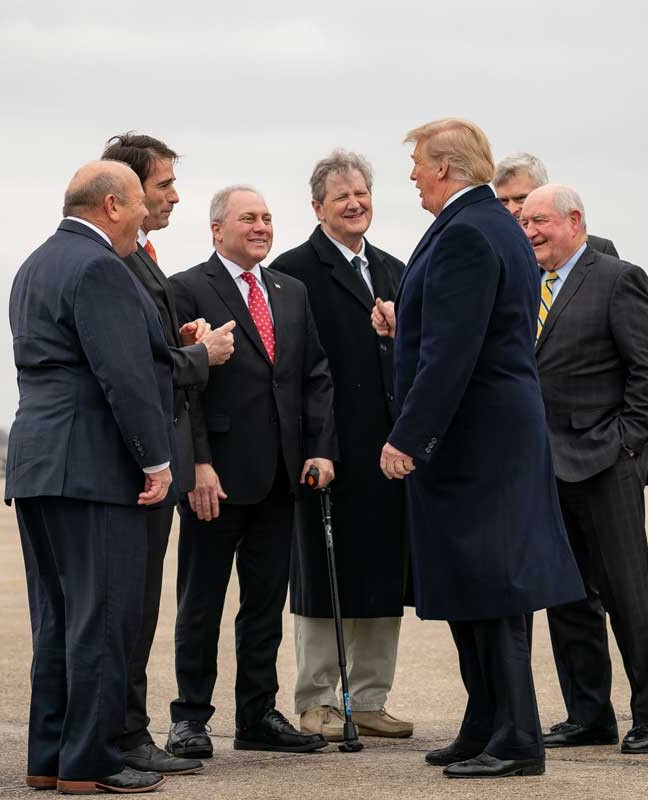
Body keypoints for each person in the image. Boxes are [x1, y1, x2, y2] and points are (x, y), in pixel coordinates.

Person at [380, 118, 585, 779]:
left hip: (477, 443)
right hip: (487, 438)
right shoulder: (485, 225)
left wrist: (410, 435)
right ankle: (485, 723)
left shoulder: (470, 230)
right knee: (472, 587)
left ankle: (517, 738)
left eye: (416, 163)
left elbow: (452, 351)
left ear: (445, 167)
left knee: (493, 589)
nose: (411, 174)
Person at [5, 160, 184, 794]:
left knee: (56, 618)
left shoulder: (35, 265)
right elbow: (125, 376)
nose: (145, 214)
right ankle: (91, 762)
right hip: (93, 469)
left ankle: (48, 757)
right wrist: (156, 460)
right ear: (111, 205)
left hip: (37, 464)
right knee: (102, 617)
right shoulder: (101, 267)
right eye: (139, 202)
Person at [166, 186, 336, 757]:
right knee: (202, 603)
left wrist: (321, 448)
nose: (262, 227)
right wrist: (199, 465)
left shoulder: (291, 292)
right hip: (217, 480)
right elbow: (180, 390)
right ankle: (189, 718)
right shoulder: (187, 289)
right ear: (217, 230)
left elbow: (313, 374)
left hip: (282, 476)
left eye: (266, 218)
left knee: (264, 605)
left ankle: (258, 715)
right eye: (248, 218)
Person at [521, 184, 648, 754]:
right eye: (524, 223)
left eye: (539, 221)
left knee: (626, 595)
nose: (529, 231)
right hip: (544, 470)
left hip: (605, 466)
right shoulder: (526, 286)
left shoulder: (617, 278)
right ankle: (589, 715)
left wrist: (626, 445)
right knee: (566, 599)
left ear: (574, 220)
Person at [99, 133, 234, 775]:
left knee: (142, 605)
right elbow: (132, 369)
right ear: (125, 193)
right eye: (164, 186)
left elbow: (144, 350)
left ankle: (131, 731)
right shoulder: (115, 262)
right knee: (130, 607)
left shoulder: (140, 258)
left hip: (157, 459)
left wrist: (177, 341)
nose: (174, 196)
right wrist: (197, 358)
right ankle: (125, 735)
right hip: (135, 465)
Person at [271, 150, 413, 741]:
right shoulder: (294, 270)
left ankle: (372, 699)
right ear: (317, 207)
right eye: (341, 198)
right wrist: (314, 444)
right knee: (324, 577)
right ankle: (319, 700)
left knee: (384, 574)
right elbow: (291, 370)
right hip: (325, 452)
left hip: (389, 452)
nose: (355, 205)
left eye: (363, 194)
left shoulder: (396, 269)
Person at [492, 153, 618, 256]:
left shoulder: (599, 249)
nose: (511, 209)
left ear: (544, 190)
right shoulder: (493, 252)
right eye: (503, 201)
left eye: (521, 198)